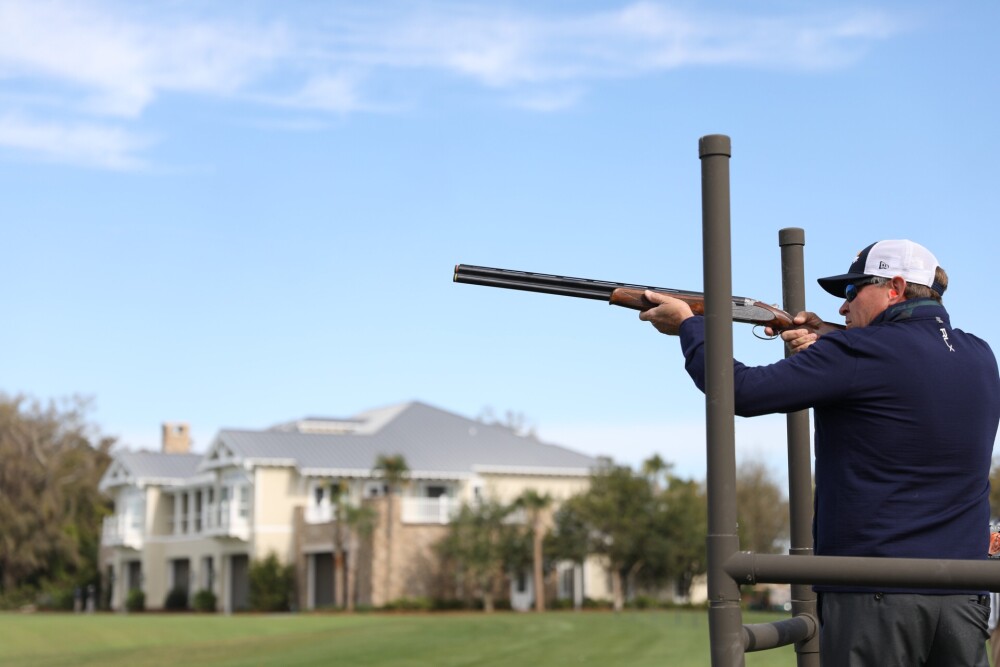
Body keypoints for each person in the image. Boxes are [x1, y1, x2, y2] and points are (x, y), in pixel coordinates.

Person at [637, 239, 999, 666]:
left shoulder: (855, 352)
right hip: (964, 596)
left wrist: (689, 326)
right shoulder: (980, 355)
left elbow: (740, 391)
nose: (843, 307)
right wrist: (828, 336)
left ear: (896, 288)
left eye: (852, 291)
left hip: (873, 595)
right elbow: (907, 359)